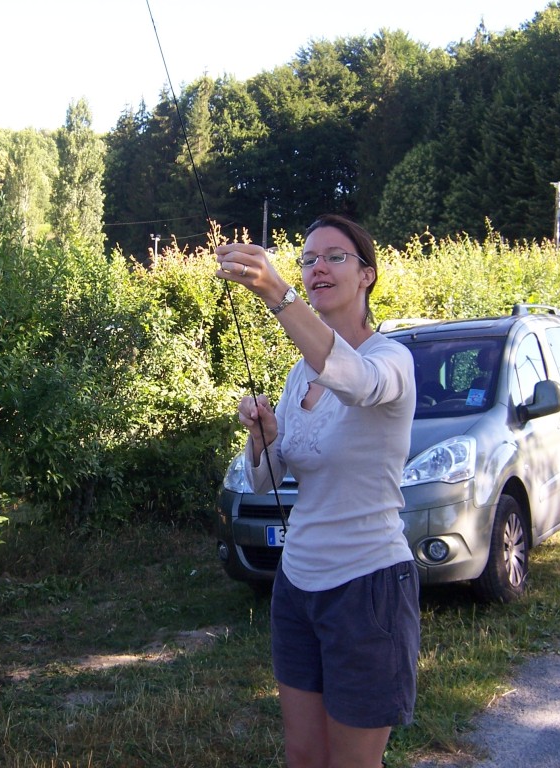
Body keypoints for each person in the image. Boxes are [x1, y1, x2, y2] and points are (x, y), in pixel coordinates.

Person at [215, 214, 420, 768]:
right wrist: (263, 437)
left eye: (334, 257)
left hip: (368, 588)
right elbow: (265, 477)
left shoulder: (391, 360)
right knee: (304, 757)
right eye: (307, 260)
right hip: (297, 586)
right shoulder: (296, 376)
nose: (317, 267)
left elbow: (353, 381)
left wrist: (277, 292)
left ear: (367, 276)